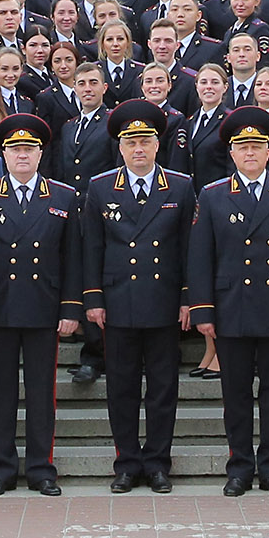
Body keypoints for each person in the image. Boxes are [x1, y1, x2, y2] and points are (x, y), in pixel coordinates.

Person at [189, 106, 269, 495]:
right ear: (231, 152)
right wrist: (203, 310)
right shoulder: (212, 196)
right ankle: (240, 467)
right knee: (236, 394)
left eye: (256, 146)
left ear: (268, 152)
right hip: (231, 310)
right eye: (242, 146)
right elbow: (200, 258)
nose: (249, 153)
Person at [80, 99, 192, 494]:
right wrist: (92, 298)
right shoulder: (100, 186)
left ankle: (158, 462)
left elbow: (187, 249)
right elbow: (91, 247)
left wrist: (186, 298)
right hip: (117, 301)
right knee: (121, 389)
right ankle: (127, 462)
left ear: (158, 144)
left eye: (145, 140)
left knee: (163, 389)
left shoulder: (179, 186)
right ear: (120, 147)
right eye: (131, 142)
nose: (139, 148)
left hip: (162, 301)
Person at [0, 113, 82, 495]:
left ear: (40, 153)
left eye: (29, 148)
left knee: (41, 395)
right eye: (15, 148)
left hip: (43, 309)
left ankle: (41, 468)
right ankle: (0, 468)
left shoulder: (64, 197)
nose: (22, 154)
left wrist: (71, 309)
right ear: (3, 153)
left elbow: (72, 258)